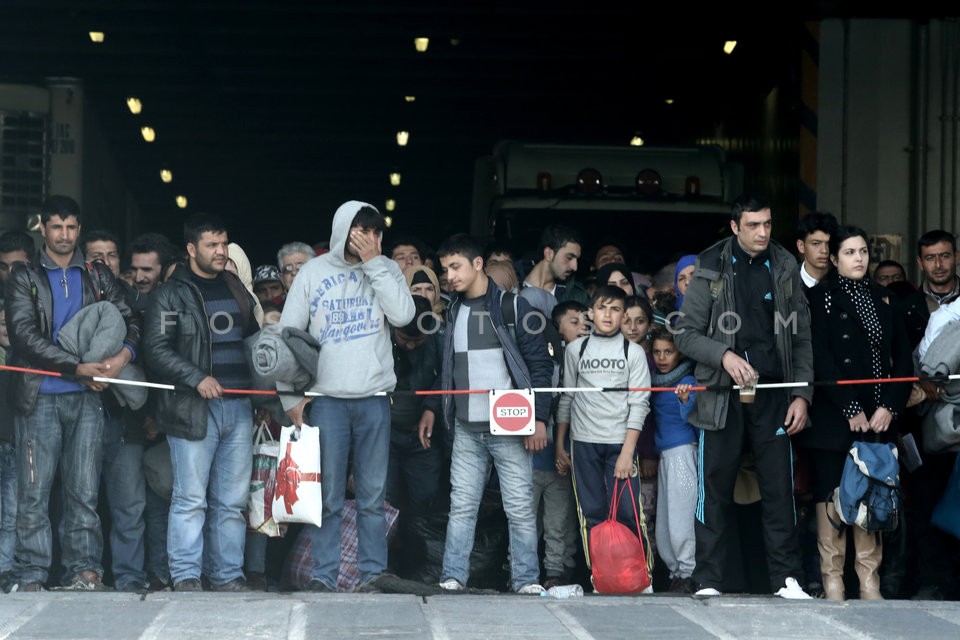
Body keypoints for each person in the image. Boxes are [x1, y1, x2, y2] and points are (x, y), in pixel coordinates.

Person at [673, 193, 814, 600]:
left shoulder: (785, 264)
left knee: (779, 490)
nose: (762, 232)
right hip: (720, 394)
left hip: (773, 394)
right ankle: (709, 580)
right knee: (713, 490)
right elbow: (685, 333)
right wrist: (725, 355)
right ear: (735, 227)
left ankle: (787, 580)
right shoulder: (711, 264)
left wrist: (802, 394)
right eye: (753, 225)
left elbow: (802, 338)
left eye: (768, 224)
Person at [6, 195, 141, 592]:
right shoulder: (24, 276)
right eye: (56, 227)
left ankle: (84, 572)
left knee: (83, 491)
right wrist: (76, 367)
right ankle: (31, 574)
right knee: (34, 491)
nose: (64, 235)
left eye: (71, 227)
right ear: (43, 229)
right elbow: (24, 336)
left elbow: (130, 318)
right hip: (40, 395)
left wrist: (121, 357)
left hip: (87, 398)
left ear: (79, 229)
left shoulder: (98, 275)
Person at [278, 201, 414, 593]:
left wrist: (375, 263)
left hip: (374, 398)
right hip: (327, 401)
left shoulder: (386, 269)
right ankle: (324, 576)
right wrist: (291, 399)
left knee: (373, 495)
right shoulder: (313, 272)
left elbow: (404, 316)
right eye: (361, 231)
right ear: (343, 230)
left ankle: (372, 575)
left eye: (374, 233)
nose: (369, 239)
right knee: (327, 496)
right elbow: (288, 337)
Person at [419, 233, 553, 594]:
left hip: (510, 423)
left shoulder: (513, 307)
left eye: (456, 267)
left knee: (520, 508)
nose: (449, 276)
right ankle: (452, 577)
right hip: (465, 425)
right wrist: (434, 407)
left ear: (478, 264)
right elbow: (445, 370)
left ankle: (526, 580)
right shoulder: (452, 309)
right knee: (462, 506)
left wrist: (539, 418)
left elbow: (540, 366)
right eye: (445, 269)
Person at [143, 212, 260, 592]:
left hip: (240, 406)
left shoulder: (236, 287)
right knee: (191, 498)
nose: (221, 251)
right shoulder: (170, 294)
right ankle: (187, 576)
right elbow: (156, 349)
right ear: (192, 249)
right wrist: (197, 378)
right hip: (193, 408)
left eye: (224, 244)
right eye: (212, 245)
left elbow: (255, 342)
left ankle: (227, 575)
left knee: (232, 501)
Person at [796, 225, 913, 601]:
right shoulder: (819, 298)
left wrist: (889, 407)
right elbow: (819, 359)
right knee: (832, 494)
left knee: (872, 495)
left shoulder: (885, 299)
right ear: (834, 258)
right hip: (835, 415)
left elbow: (904, 360)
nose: (859, 258)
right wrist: (849, 407)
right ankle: (833, 579)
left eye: (863, 251)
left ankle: (869, 580)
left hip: (878, 416)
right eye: (849, 252)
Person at [556, 284, 653, 589]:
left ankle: (643, 578)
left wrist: (628, 452)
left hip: (619, 444)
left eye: (615, 309)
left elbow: (640, 404)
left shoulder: (633, 352)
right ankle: (600, 578)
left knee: (630, 513)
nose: (608, 315)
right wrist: (560, 444)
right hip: (583, 443)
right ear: (591, 312)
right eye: (602, 308)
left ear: (624, 315)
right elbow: (567, 400)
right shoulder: (576, 350)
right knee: (592, 515)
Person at [648, 326, 698, 593]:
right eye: (657, 351)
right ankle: (675, 574)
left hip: (682, 452)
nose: (662, 357)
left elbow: (693, 420)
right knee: (665, 524)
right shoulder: (654, 380)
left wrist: (686, 399)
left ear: (680, 352)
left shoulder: (688, 380)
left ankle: (688, 574)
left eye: (668, 351)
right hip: (664, 455)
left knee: (681, 518)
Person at [521, 224, 589, 306]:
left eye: (576, 259)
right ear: (549, 254)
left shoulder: (576, 295)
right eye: (569, 258)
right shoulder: (513, 288)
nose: (575, 267)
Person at [795, 211, 839, 289]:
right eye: (816, 243)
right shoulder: (786, 281)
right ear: (801, 246)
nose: (824, 250)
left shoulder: (844, 281)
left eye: (829, 244)